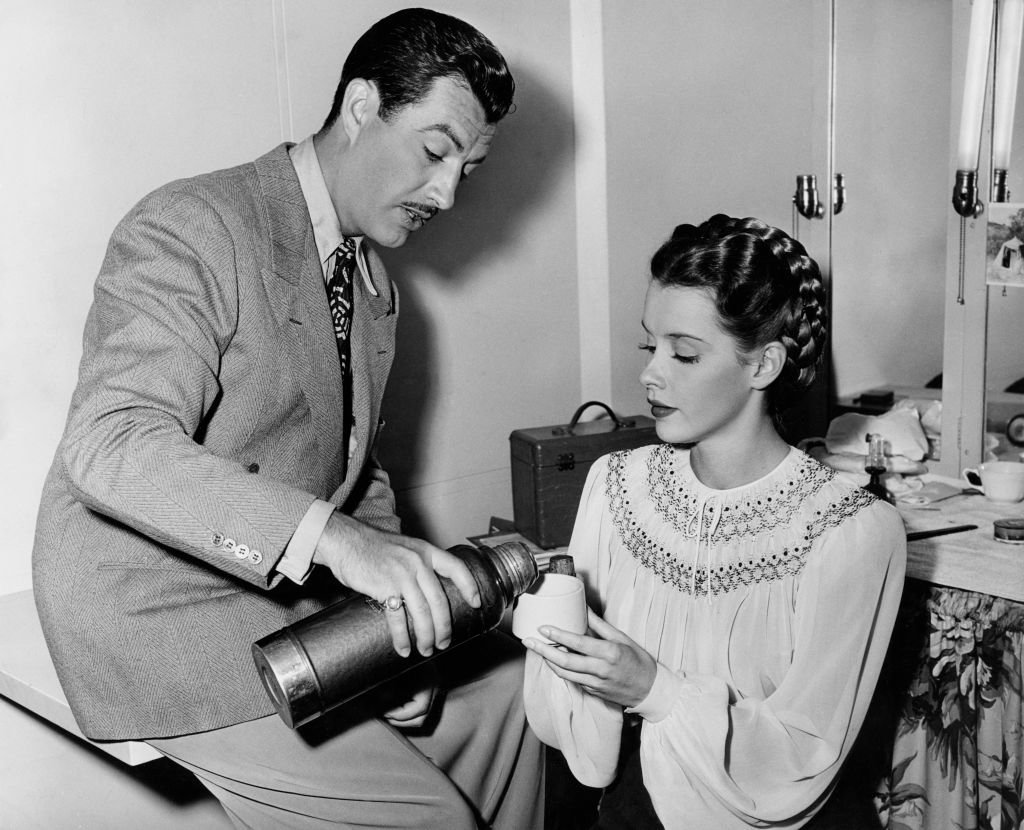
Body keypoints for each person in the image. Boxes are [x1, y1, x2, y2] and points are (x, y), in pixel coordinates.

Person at [32, 8, 544, 829]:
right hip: (157, 607)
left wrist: (394, 623)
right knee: (430, 815)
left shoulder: (374, 288)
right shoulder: (196, 225)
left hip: (281, 605)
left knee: (507, 699)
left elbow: (355, 473)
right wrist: (344, 546)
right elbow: (110, 443)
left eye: (467, 172)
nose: (447, 194)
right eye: (436, 150)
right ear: (361, 106)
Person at [522, 215, 907, 829]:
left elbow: (802, 757)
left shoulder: (852, 530)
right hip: (634, 809)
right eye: (651, 345)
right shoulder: (616, 487)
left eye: (685, 353)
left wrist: (656, 690)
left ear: (763, 366)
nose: (651, 373)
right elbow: (582, 742)